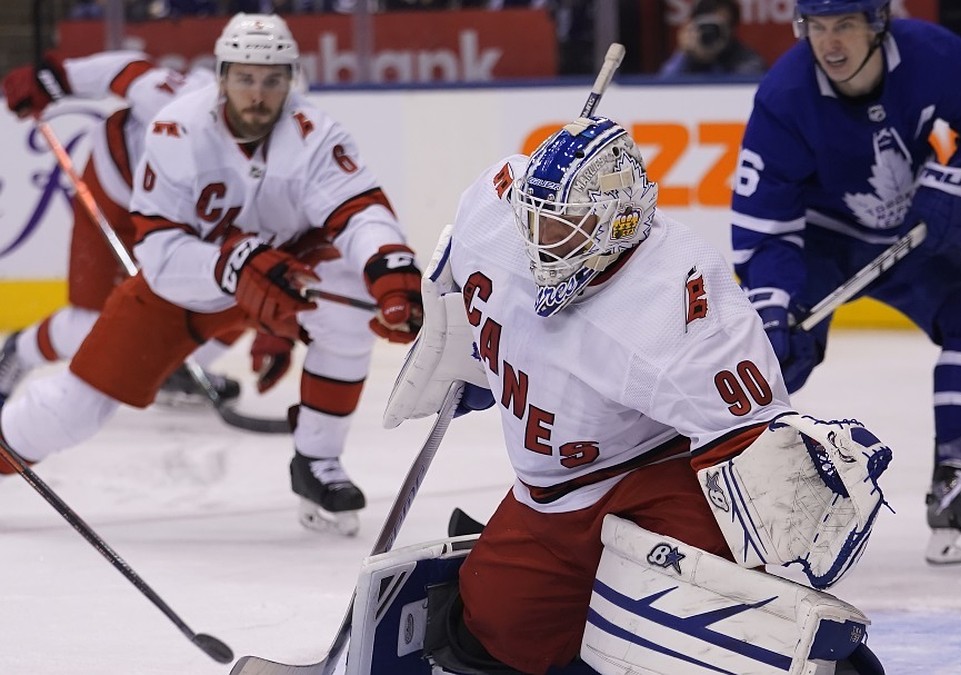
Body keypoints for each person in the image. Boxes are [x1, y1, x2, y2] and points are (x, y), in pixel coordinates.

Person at [386, 115, 891, 674]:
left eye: (563, 227)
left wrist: (797, 494)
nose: (538, 243)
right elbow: (453, 278)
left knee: (694, 632)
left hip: (664, 472)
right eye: (534, 219)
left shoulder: (675, 301)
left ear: (617, 223)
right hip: (555, 490)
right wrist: (483, 356)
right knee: (498, 633)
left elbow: (758, 455)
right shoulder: (494, 204)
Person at [0, 13, 423, 536]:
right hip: (177, 265)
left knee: (349, 306)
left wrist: (391, 265)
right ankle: (11, 414)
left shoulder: (314, 133)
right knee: (78, 403)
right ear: (221, 77)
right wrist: (53, 78)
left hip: (268, 265)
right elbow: (158, 258)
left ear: (292, 82)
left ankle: (317, 461)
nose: (258, 94)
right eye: (245, 77)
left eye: (273, 80)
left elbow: (358, 211)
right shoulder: (176, 124)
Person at [731, 0, 961, 565]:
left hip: (906, 230)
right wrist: (770, 306)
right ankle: (723, 501)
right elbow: (766, 225)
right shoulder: (785, 95)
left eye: (843, 25)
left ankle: (957, 487)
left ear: (878, 24)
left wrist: (952, 179)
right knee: (770, 357)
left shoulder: (935, 56)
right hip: (817, 244)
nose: (829, 44)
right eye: (816, 28)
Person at [0, 50, 245, 409]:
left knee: (242, 289)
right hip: (113, 188)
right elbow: (123, 68)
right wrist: (50, 77)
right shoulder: (174, 99)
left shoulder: (274, 152)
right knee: (93, 321)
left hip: (177, 213)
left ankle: (174, 369)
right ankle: (21, 350)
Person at [659, 0, 766, 77]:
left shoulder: (748, 60)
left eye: (718, 27)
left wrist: (711, 61)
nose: (711, 33)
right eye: (706, 27)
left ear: (732, 29)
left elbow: (736, 92)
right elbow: (663, 88)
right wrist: (683, 53)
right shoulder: (687, 56)